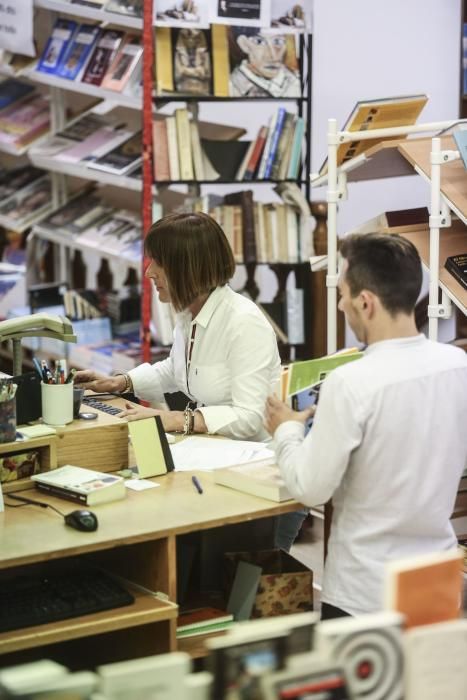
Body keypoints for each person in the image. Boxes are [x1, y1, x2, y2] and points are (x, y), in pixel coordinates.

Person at [265, 232, 467, 619]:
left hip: (367, 590)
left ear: (366, 302)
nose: (339, 304)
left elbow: (309, 488)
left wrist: (286, 429)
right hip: (436, 577)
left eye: (342, 293)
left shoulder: (352, 383)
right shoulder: (456, 363)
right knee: (427, 679)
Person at [75, 211, 280, 441]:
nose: (149, 272)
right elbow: (178, 369)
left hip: (252, 457)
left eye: (159, 263)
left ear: (188, 268)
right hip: (215, 447)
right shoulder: (189, 312)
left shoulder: (244, 323)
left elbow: (250, 418)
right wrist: (119, 382)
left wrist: (173, 419)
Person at [229, 27, 300, 98]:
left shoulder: (296, 79)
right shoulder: (231, 87)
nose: (273, 56)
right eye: (259, 42)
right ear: (244, 44)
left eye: (278, 41)